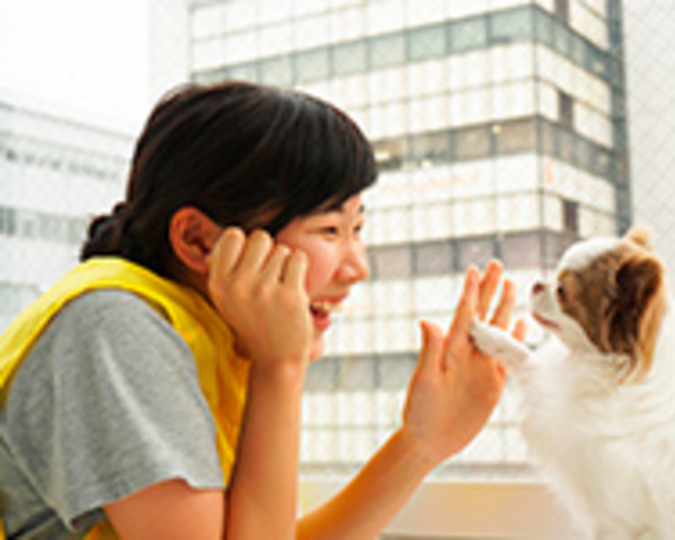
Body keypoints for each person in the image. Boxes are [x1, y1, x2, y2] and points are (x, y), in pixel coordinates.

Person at [0, 82, 526, 539]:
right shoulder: (117, 328)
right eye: (329, 230)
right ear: (198, 240)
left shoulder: (191, 337)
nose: (357, 267)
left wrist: (419, 446)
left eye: (357, 229)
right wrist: (281, 367)